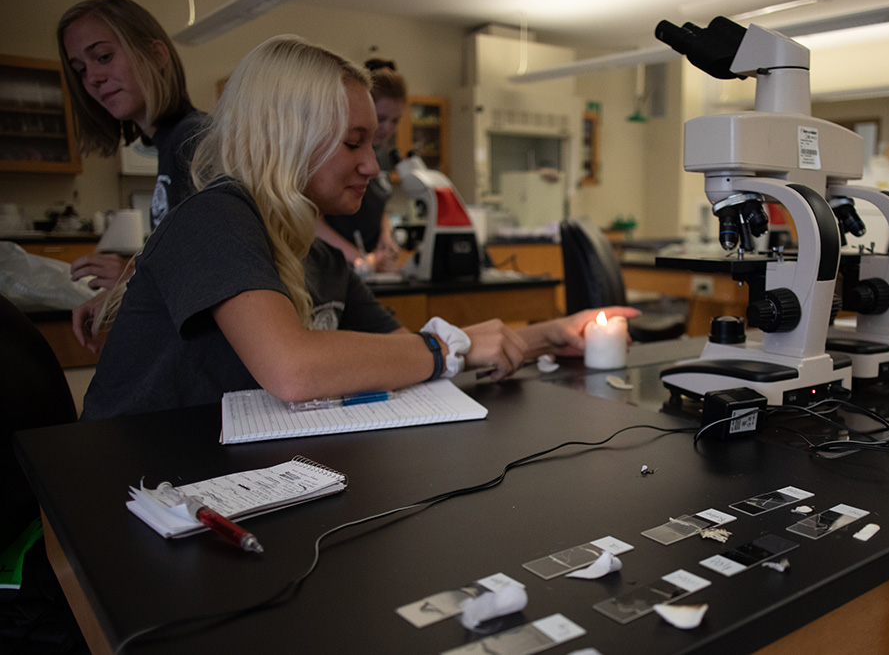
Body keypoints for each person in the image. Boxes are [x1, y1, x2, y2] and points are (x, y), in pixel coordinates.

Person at [81, 35, 635, 420]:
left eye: (373, 143)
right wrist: (448, 349)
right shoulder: (213, 219)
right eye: (353, 142)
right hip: (138, 487)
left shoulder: (320, 262)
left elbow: (400, 350)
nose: (371, 166)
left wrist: (555, 332)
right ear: (284, 139)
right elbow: (294, 369)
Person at [56, 0, 208, 348]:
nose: (92, 77)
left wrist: (134, 274)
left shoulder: (194, 140)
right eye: (80, 69)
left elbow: (213, 267)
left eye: (104, 57)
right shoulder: (169, 145)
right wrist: (129, 286)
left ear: (157, 54)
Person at [315, 58, 405, 271]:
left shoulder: (382, 154)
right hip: (335, 262)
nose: (387, 128)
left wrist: (385, 237)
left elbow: (377, 203)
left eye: (395, 121)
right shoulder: (332, 152)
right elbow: (311, 220)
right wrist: (359, 260)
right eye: (381, 118)